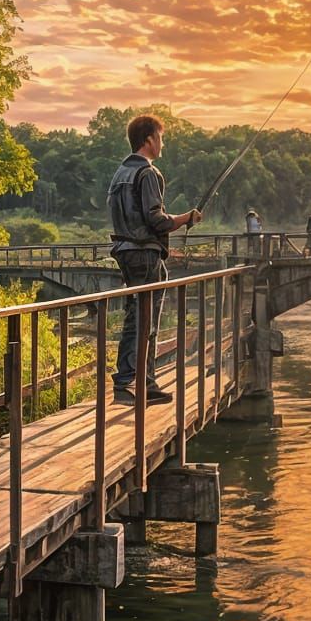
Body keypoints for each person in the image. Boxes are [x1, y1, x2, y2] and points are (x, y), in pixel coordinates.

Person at [107, 114, 202, 404]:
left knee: (135, 318)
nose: (162, 144)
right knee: (147, 322)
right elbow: (156, 219)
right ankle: (138, 384)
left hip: (124, 252)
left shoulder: (119, 174)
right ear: (149, 140)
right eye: (160, 138)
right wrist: (187, 217)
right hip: (144, 254)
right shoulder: (148, 173)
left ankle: (132, 382)